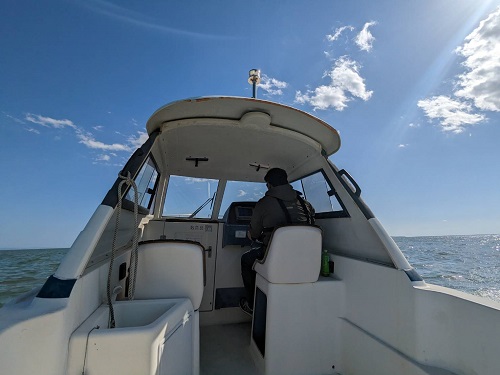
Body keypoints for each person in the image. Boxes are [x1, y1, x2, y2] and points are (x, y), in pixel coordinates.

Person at [240, 168, 315, 316]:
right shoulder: (306, 204)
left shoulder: (263, 203)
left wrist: (251, 234)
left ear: (269, 185)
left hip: (278, 257)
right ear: (286, 181)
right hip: (306, 258)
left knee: (246, 260)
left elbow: (254, 234)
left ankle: (252, 304)